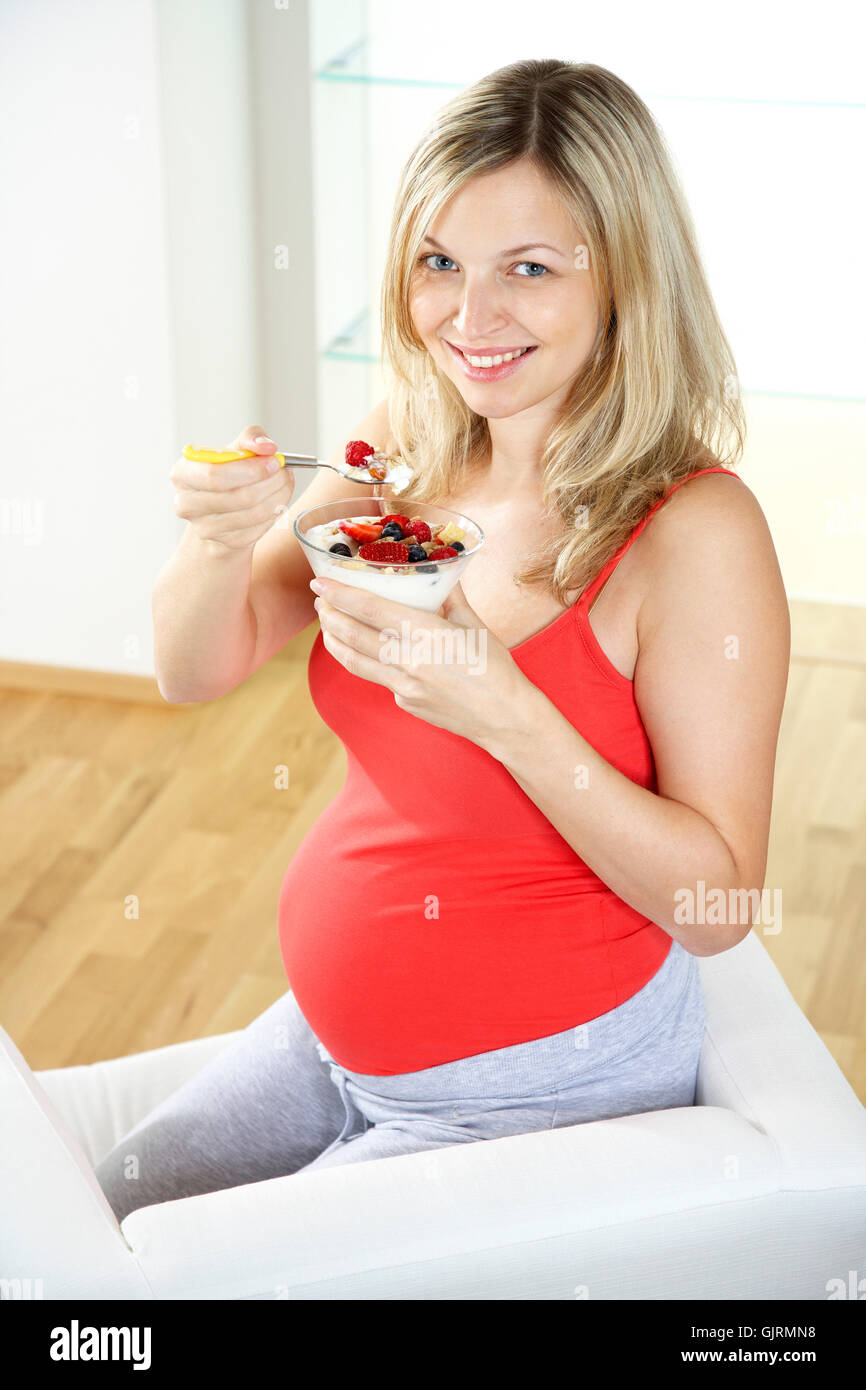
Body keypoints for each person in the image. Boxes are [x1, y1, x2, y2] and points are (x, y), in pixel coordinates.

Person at [95, 60, 789, 1223]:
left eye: (528, 268)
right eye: (438, 264)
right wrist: (218, 545)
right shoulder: (404, 444)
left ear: (623, 274)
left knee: (141, 1295)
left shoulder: (692, 532)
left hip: (537, 1076)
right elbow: (191, 668)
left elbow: (717, 910)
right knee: (99, 1223)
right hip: (336, 1037)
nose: (468, 321)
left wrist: (508, 709)